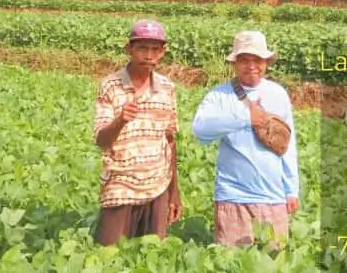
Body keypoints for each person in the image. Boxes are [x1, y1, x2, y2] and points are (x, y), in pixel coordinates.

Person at [191, 30, 300, 248]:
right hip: (233, 198)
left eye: (257, 60)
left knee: (273, 263)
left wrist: (291, 190)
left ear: (266, 62)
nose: (251, 66)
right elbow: (200, 130)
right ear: (234, 63)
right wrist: (244, 117)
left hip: (273, 197)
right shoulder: (219, 96)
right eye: (244, 60)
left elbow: (288, 145)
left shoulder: (278, 94)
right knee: (233, 264)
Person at [92, 18, 183, 245]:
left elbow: (170, 141)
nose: (149, 55)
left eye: (155, 49)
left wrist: (174, 192)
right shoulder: (111, 86)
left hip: (158, 185)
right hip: (120, 185)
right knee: (108, 256)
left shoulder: (167, 88)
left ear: (163, 52)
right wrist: (120, 120)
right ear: (129, 48)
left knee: (150, 258)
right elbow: (101, 140)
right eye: (142, 48)